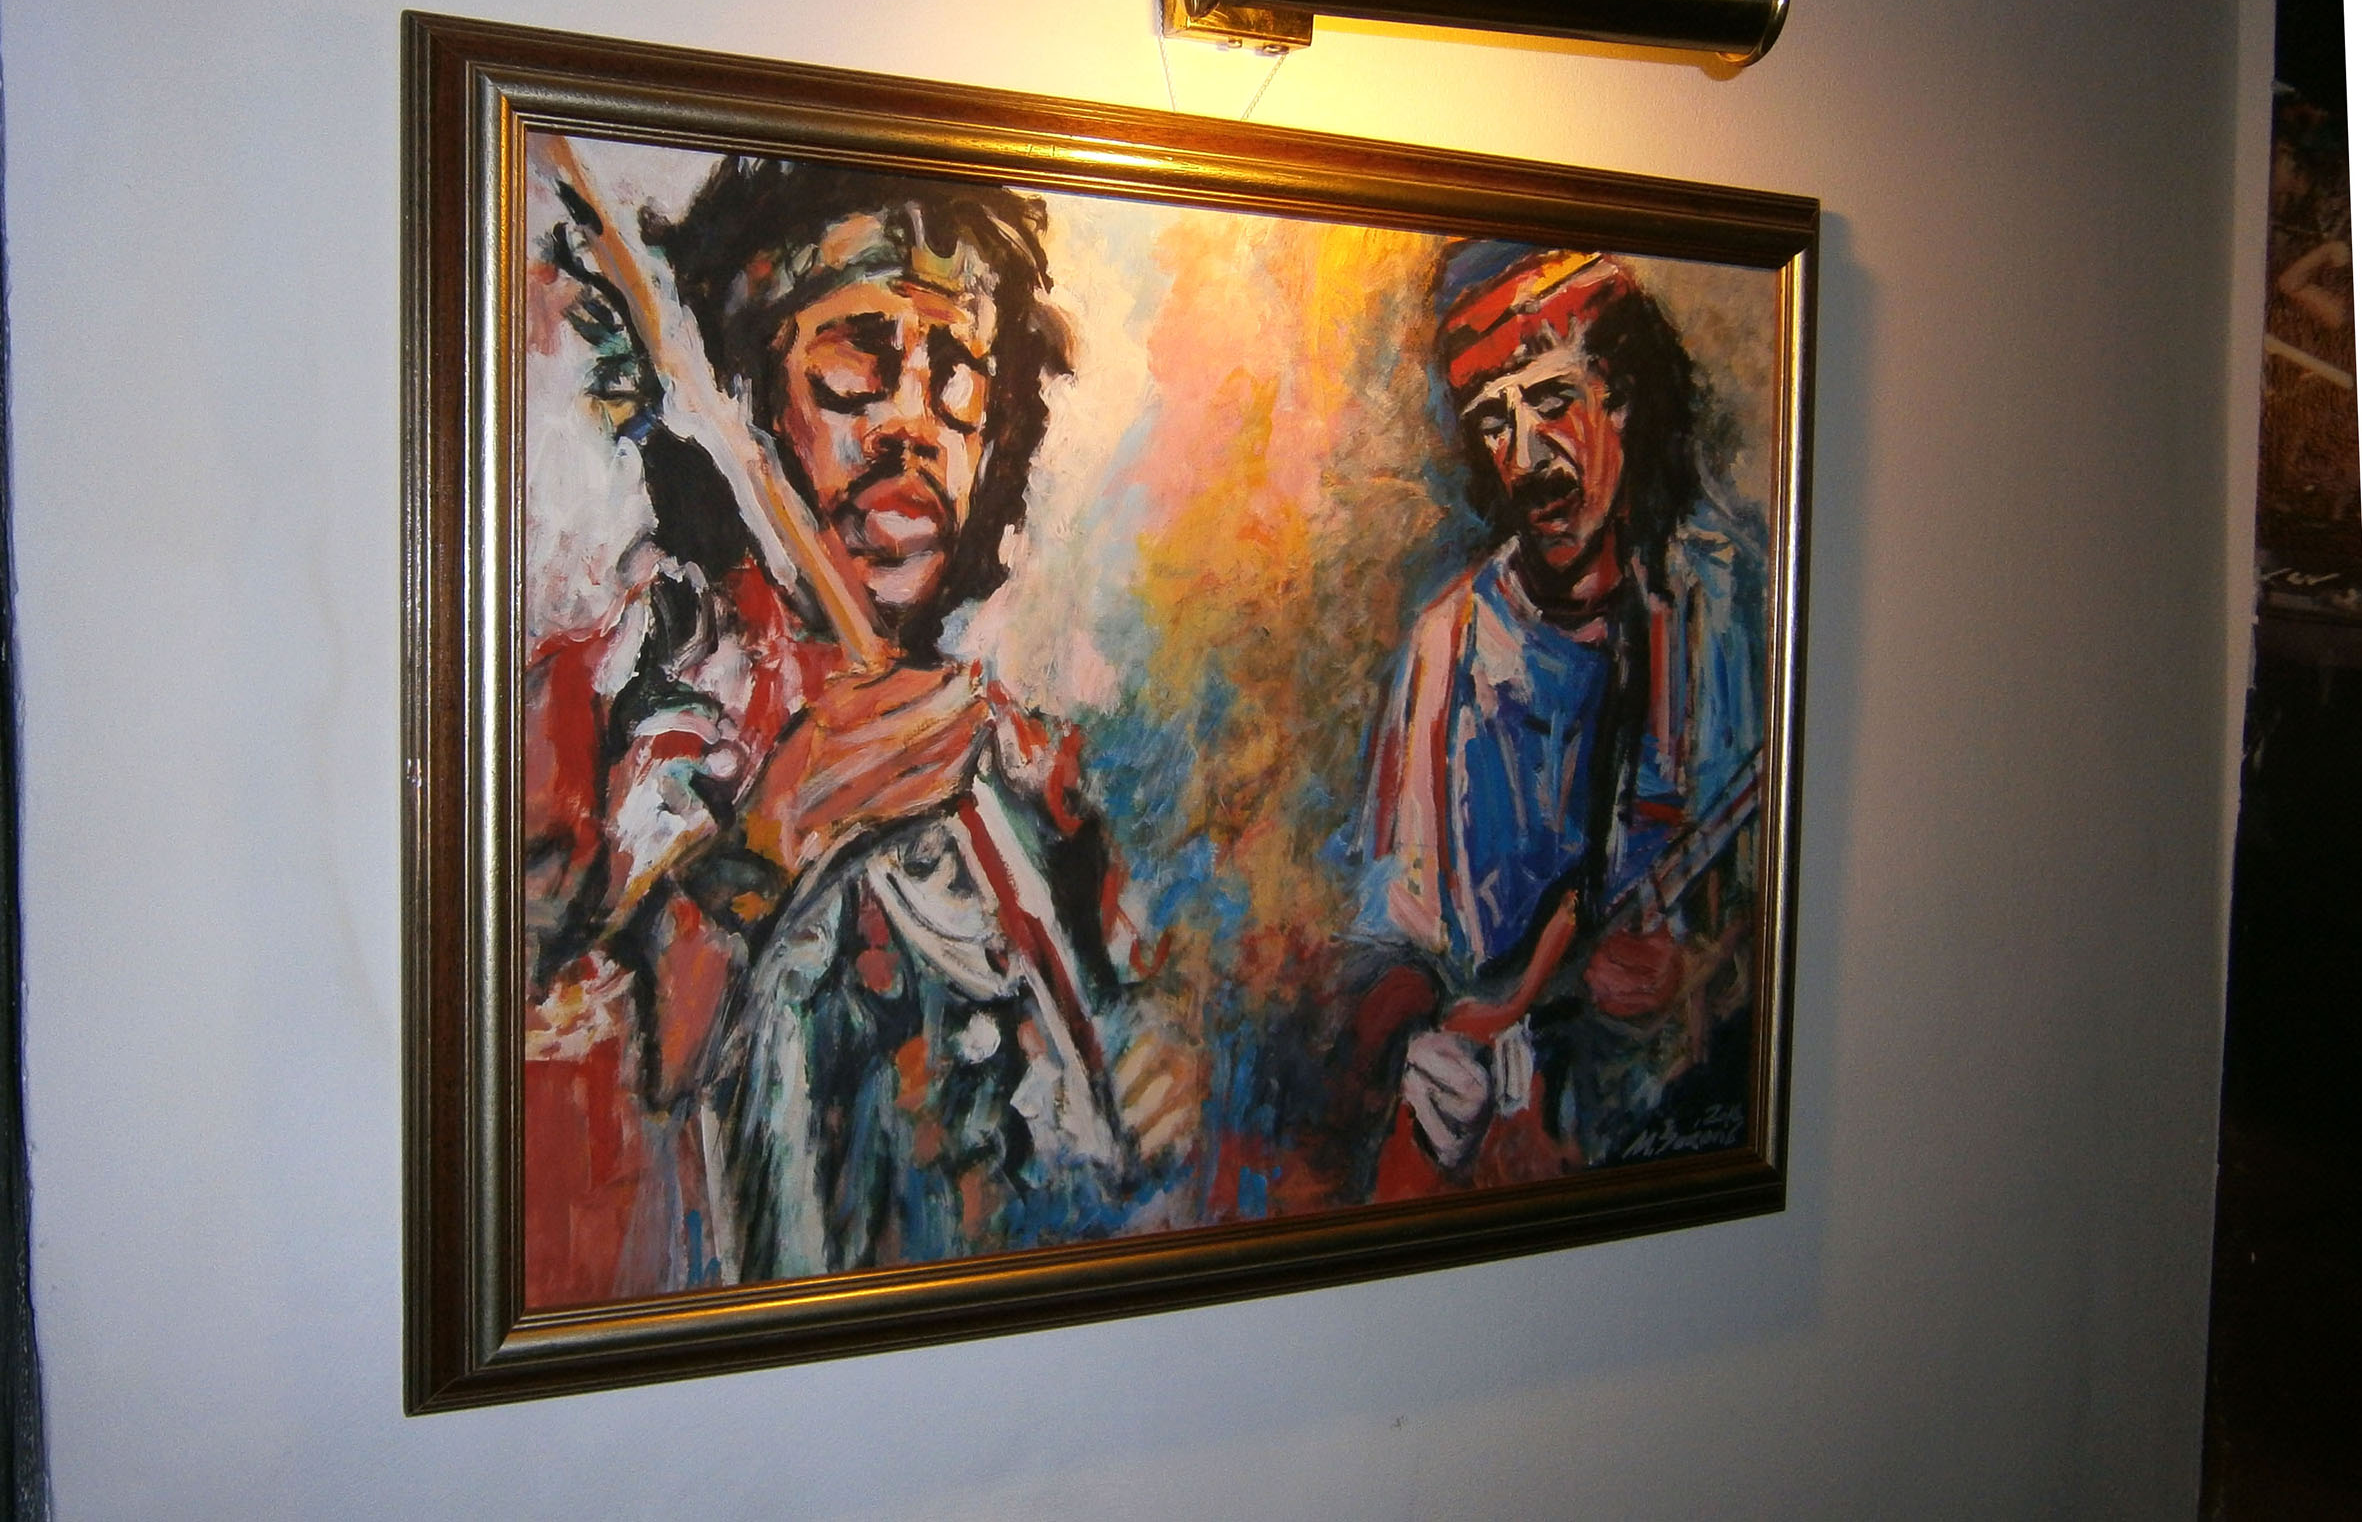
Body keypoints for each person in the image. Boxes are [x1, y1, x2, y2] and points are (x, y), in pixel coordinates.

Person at [519, 155, 1185, 1302]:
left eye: (957, 377)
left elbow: (1127, 1082)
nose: (911, 423)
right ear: (744, 399)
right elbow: (542, 1136)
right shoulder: (604, 712)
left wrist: (1149, 1079)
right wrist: (776, 835)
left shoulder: (1022, 768)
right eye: (856, 360)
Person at [1330, 243, 1766, 1198]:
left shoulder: (1730, 599)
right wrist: (1419, 1049)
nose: (1526, 457)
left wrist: (1700, 962)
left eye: (1553, 400)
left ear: (1624, 396)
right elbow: (1387, 945)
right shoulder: (1449, 647)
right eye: (1495, 422)